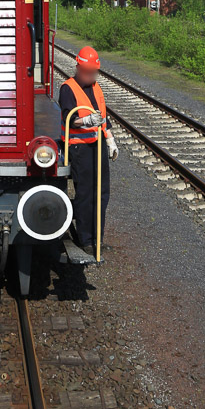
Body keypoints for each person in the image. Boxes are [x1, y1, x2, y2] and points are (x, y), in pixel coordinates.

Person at [58, 46, 118, 256]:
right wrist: (84, 120)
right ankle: (85, 239)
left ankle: (98, 239)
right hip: (79, 147)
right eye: (87, 71)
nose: (91, 75)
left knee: (102, 193)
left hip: (98, 144)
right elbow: (68, 118)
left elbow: (103, 117)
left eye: (94, 71)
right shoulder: (68, 88)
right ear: (78, 67)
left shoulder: (96, 87)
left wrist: (110, 140)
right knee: (85, 193)